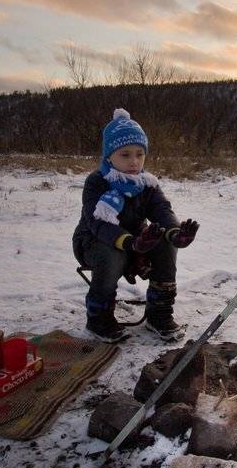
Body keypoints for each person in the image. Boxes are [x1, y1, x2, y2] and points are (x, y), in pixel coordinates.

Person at [72, 109, 199, 342]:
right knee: (113, 253)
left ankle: (159, 314)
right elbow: (98, 222)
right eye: (126, 155)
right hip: (94, 241)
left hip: (139, 240)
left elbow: (162, 211)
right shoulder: (97, 182)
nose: (134, 161)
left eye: (140, 154)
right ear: (110, 156)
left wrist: (175, 234)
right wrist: (131, 243)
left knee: (165, 245)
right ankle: (98, 318)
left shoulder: (147, 183)